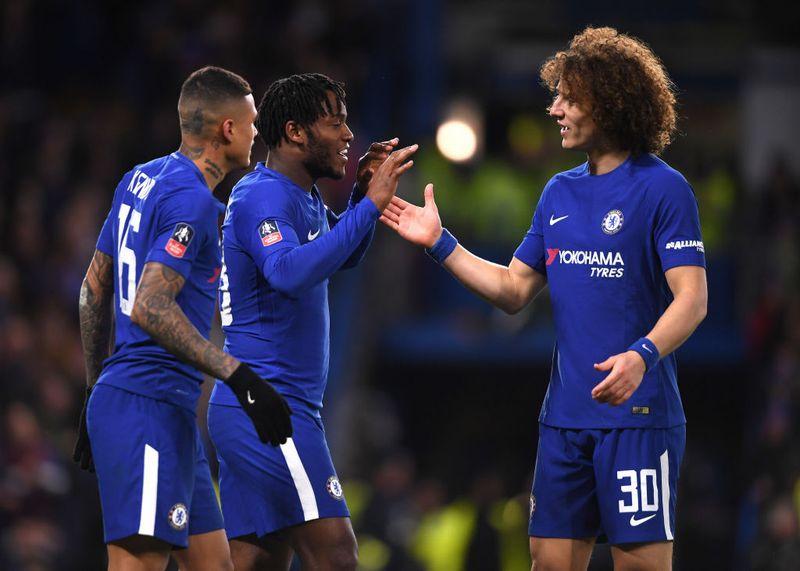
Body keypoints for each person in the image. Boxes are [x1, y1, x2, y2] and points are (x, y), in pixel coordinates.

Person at [381, 27, 708, 571]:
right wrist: (441, 243)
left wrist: (642, 355)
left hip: (637, 418)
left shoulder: (664, 189)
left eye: (568, 98)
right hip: (564, 419)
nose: (554, 109)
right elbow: (513, 291)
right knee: (549, 563)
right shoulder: (559, 192)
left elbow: (692, 299)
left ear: (609, 102)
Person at [73, 66, 292, 571]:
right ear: (228, 129)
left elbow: (93, 290)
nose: (257, 133)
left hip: (165, 410)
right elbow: (149, 305)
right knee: (138, 565)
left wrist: (92, 389)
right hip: (145, 405)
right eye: (252, 123)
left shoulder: (140, 178)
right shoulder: (193, 202)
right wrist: (237, 375)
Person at [207, 73, 417, 570]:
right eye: (335, 123)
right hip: (270, 405)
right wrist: (370, 206)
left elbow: (341, 255)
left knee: (257, 561)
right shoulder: (262, 196)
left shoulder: (300, 195)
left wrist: (359, 200)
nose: (349, 135)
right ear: (296, 132)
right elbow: (287, 272)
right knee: (336, 554)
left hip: (267, 403)